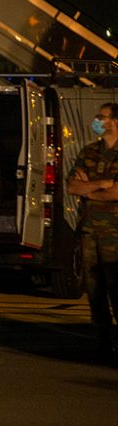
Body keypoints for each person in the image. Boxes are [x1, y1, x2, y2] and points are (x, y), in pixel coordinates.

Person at [66, 103, 118, 363]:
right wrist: (100, 185)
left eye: (102, 117)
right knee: (94, 290)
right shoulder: (89, 151)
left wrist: (89, 189)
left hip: (114, 233)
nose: (97, 121)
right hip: (89, 229)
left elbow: (117, 192)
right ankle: (103, 344)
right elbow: (72, 187)